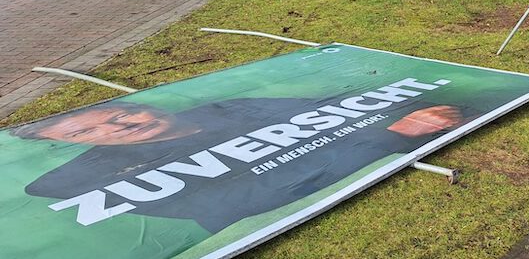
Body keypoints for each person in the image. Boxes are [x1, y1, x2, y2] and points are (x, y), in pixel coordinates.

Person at [12, 98, 466, 234]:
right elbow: (251, 198)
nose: (118, 128)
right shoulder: (88, 178)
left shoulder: (230, 108)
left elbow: (340, 110)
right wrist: (391, 135)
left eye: (120, 115)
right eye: (84, 133)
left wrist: (408, 119)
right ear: (63, 143)